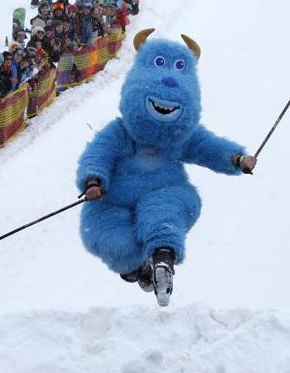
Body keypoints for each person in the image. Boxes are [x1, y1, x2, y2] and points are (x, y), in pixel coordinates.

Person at [77, 30, 257, 307]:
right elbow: (99, 153)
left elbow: (211, 148)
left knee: (164, 211)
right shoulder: (121, 133)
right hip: (114, 198)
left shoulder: (182, 138)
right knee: (111, 236)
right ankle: (138, 270)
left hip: (163, 189)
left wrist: (237, 158)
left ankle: (163, 256)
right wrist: (93, 180)